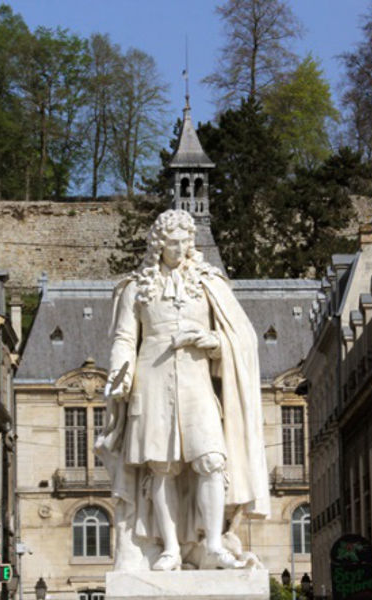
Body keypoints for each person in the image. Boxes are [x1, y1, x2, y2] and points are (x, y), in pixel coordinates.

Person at [95, 209, 270, 571]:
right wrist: (120, 373)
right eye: (172, 242)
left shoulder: (209, 283)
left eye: (185, 242)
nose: (179, 248)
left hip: (196, 380)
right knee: (162, 467)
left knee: (211, 461)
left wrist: (211, 340)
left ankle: (215, 544)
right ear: (158, 245)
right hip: (151, 378)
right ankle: (171, 548)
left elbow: (242, 338)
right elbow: (125, 338)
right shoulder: (135, 288)